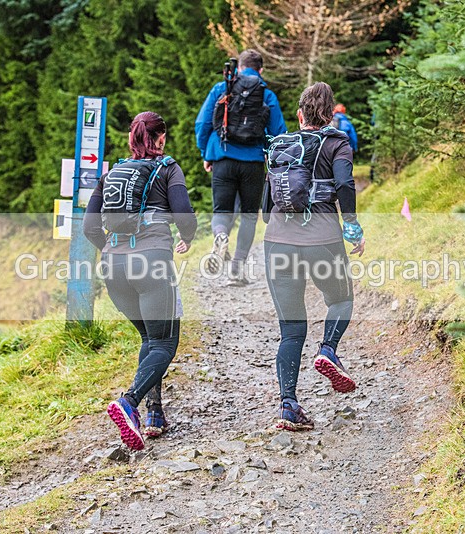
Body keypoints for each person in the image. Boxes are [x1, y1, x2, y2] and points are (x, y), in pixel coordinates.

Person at [83, 111, 197, 450]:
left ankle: (154, 414)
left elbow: (90, 228)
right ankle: (129, 402)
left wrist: (113, 252)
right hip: (151, 263)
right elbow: (185, 216)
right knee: (165, 342)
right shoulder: (167, 168)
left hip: (113, 268)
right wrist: (187, 237)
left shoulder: (111, 173)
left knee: (150, 338)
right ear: (159, 138)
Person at [263, 82, 366, 431]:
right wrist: (351, 226)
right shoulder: (337, 142)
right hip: (322, 239)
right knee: (341, 299)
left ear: (299, 114)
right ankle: (328, 350)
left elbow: (266, 206)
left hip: (277, 242)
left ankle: (288, 405)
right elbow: (345, 185)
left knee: (291, 330)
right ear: (331, 112)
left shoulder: (280, 145)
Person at [195, 49, 286, 284]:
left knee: (221, 211)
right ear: (261, 70)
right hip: (253, 162)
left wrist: (207, 153)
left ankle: (221, 235)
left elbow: (203, 122)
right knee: (248, 216)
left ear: (240, 66)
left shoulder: (222, 88)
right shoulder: (266, 94)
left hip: (222, 157)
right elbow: (279, 133)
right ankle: (237, 269)